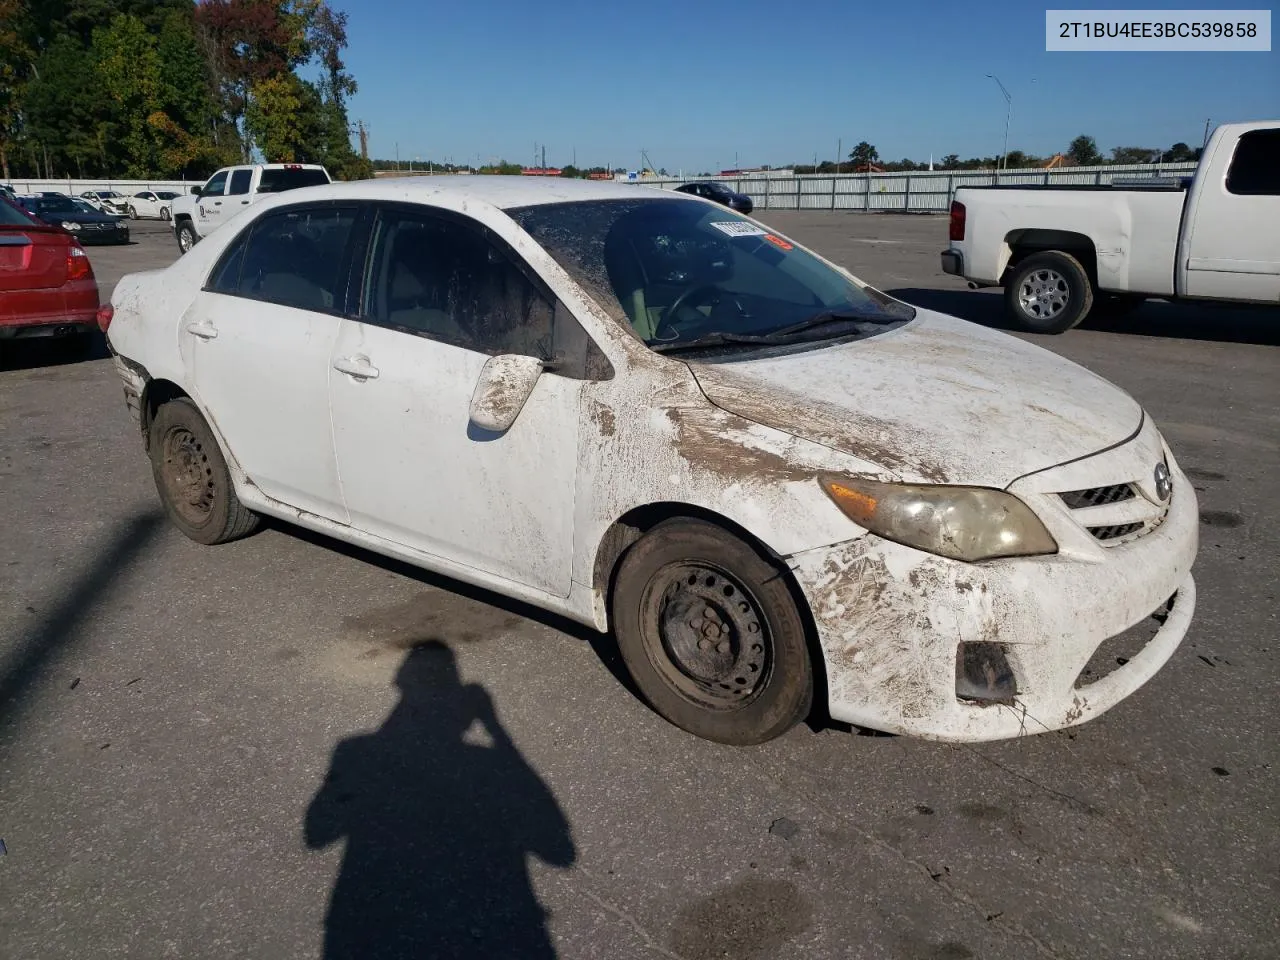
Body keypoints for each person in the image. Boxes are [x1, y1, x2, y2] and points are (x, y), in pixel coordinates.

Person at [306, 640, 575, 959]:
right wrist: (497, 730)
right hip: (495, 937)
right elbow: (560, 852)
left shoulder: (355, 751)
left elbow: (317, 834)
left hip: (373, 934)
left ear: (400, 685)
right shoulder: (489, 763)